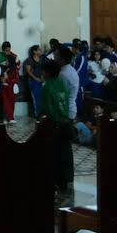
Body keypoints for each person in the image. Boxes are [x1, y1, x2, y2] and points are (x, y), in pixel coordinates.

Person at [40, 59, 74, 190]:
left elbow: (46, 109)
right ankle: (66, 179)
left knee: (54, 154)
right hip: (65, 123)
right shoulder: (62, 84)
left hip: (53, 125)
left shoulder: (47, 87)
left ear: (47, 73)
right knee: (65, 152)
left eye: (43, 71)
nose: (42, 73)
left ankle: (55, 180)